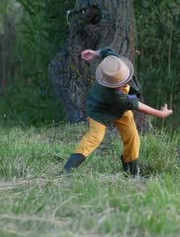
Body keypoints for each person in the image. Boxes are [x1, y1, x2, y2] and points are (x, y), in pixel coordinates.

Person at [62, 47, 173, 176]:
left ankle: (131, 172)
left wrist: (94, 53)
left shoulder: (116, 63)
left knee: (132, 137)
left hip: (121, 110)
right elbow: (138, 106)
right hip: (100, 111)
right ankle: (68, 170)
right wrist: (161, 114)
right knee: (95, 137)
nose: (122, 85)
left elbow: (106, 51)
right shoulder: (114, 95)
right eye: (117, 85)